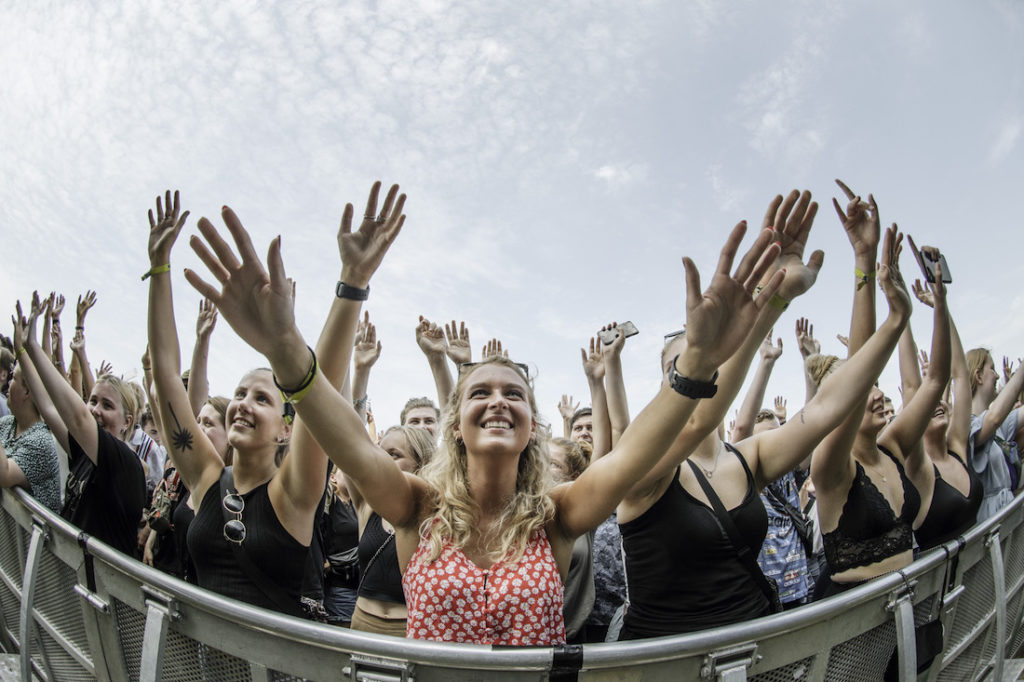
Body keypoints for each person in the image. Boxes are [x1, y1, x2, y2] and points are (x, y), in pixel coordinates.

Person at [183, 185, 785, 645]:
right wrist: (287, 350)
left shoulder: (558, 515)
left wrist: (699, 361)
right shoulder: (416, 506)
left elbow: (631, 455)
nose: (498, 399)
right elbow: (349, 443)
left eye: (514, 393)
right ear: (455, 424)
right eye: (480, 392)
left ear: (531, 426)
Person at [146, 188, 393, 616]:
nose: (242, 403)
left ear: (285, 427)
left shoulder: (293, 493)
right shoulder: (205, 478)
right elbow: (167, 373)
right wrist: (160, 268)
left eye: (262, 398)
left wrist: (352, 283)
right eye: (240, 393)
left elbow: (322, 391)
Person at [16, 296, 147, 557]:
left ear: (127, 422)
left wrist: (34, 344)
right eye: (92, 401)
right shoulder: (86, 455)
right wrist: (24, 349)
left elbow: (78, 418)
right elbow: (49, 408)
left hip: (101, 591)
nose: (95, 409)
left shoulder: (126, 463)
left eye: (107, 406)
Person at [349, 425, 435, 635]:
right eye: (379, 453)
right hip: (362, 624)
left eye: (394, 455)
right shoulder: (367, 505)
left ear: (420, 462)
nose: (382, 461)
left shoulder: (434, 516)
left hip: (408, 631)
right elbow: (350, 443)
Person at [966, 344, 1024, 523]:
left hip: (1011, 519)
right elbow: (994, 418)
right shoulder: (967, 426)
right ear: (978, 376)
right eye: (992, 369)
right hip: (992, 527)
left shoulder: (1000, 427)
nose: (997, 375)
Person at [0, 361, 61, 511]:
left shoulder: (41, 442)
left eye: (13, 378)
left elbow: (4, 474)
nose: (8, 381)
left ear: (27, 392)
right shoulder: (7, 423)